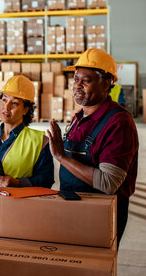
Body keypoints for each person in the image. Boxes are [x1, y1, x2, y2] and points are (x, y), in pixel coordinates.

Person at [46, 48, 138, 247]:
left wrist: (61, 157)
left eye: (85, 81)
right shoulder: (78, 117)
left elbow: (108, 183)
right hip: (72, 207)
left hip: (100, 215)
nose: (77, 86)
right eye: (75, 79)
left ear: (107, 83)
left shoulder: (118, 123)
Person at [0, 75, 54, 225]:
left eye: (14, 103)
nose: (6, 107)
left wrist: (17, 183)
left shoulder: (39, 142)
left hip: (19, 216)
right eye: (4, 100)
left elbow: (46, 181)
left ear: (26, 109)